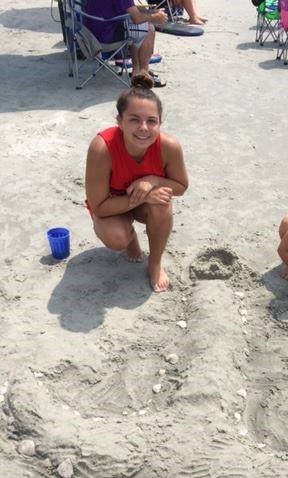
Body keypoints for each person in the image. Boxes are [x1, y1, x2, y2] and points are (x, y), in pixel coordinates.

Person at [85, 73, 189, 292]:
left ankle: (155, 262)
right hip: (110, 206)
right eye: (134, 119)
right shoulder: (102, 147)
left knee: (162, 201)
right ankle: (131, 239)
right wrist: (144, 196)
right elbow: (99, 207)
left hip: (143, 205)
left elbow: (180, 186)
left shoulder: (169, 146)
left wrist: (152, 180)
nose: (143, 128)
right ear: (119, 122)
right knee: (116, 238)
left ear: (160, 123)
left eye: (151, 121)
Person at [84, 0, 168, 86]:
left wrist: (152, 12)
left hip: (87, 34)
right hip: (103, 38)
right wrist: (155, 17)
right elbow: (137, 18)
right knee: (148, 28)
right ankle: (143, 75)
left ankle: (137, 70)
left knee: (136, 28)